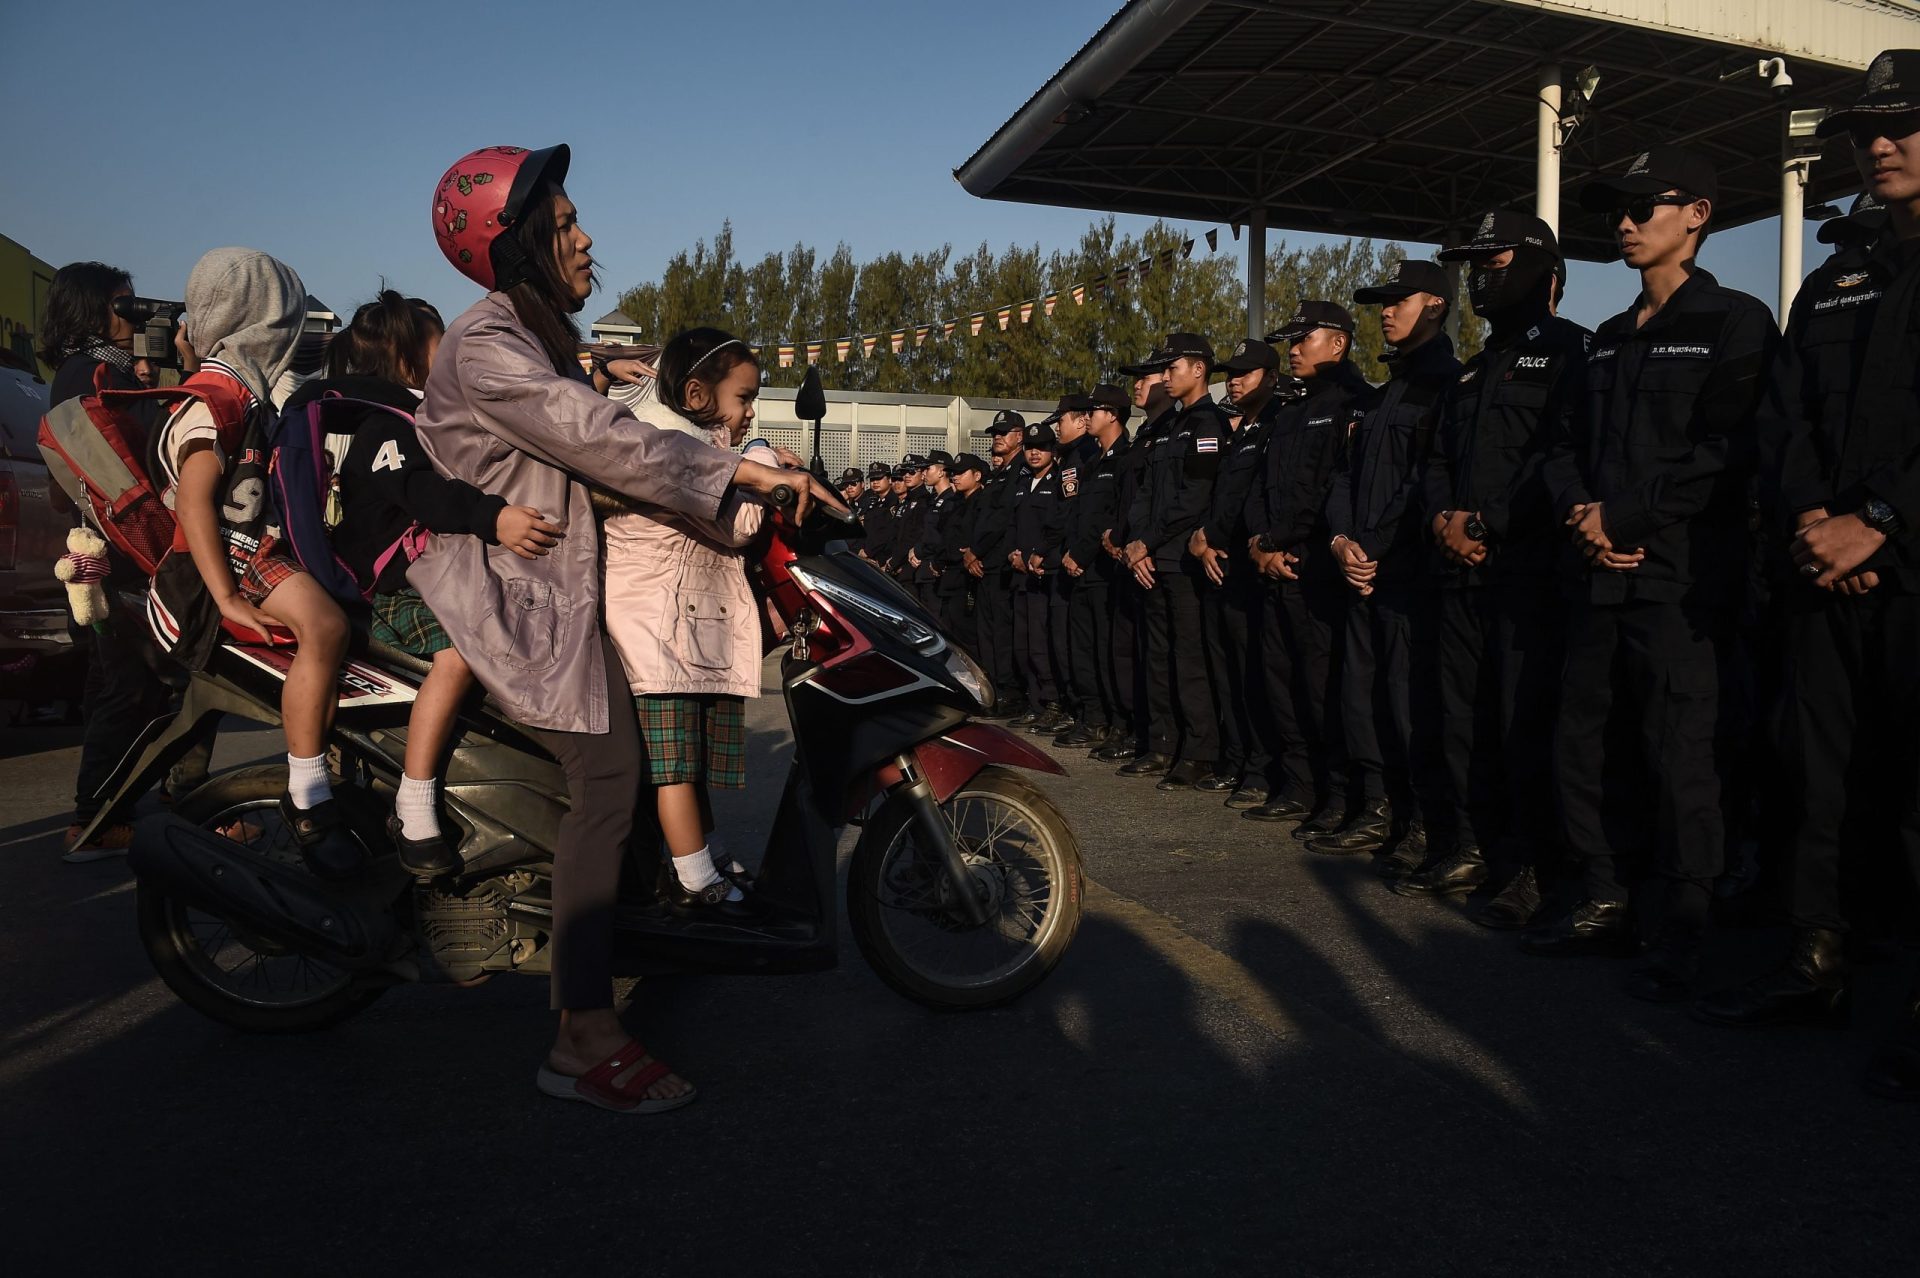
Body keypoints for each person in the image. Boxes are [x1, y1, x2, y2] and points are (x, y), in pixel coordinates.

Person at [416, 143, 836, 1113]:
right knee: (609, 770)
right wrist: (743, 472)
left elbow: (608, 434)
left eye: (572, 218)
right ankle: (580, 1031)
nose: (585, 234)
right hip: (506, 588)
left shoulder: (540, 337)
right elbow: (595, 435)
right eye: (562, 224)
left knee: (638, 753)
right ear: (513, 244)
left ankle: (638, 913)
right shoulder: (489, 344)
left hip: (556, 583)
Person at [1699, 50, 1920, 1101]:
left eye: (1904, 125)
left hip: (1907, 565)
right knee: (1815, 781)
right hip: (1823, 571)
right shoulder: (1835, 276)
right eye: (1866, 132)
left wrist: (1880, 524)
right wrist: (1811, 521)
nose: (1879, 145)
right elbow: (1782, 419)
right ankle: (1816, 961)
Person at [1529, 146, 1777, 994]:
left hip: (1682, 581)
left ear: (1698, 215)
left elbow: (1731, 450)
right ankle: (1606, 896)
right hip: (1598, 576)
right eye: (1618, 211)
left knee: (1682, 754)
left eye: (1645, 207)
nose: (1625, 224)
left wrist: (1626, 517)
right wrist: (1583, 519)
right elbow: (1561, 450)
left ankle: (1686, 917)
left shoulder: (1735, 322)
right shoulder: (1604, 342)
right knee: (1587, 744)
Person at [294, 290, 565, 876]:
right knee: (459, 657)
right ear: (408, 360)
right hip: (395, 586)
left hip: (424, 571)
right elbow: (426, 495)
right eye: (442, 341)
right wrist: (497, 517)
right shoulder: (385, 428)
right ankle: (415, 802)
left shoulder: (413, 417)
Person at [1395, 211, 1589, 923]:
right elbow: (1438, 462)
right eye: (1474, 265)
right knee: (1460, 722)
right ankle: (1478, 847)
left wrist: (1490, 524)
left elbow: (1559, 458)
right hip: (1459, 572)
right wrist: (1446, 520)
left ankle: (1537, 866)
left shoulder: (1574, 353)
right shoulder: (1471, 371)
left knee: (1523, 724)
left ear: (1542, 270)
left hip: (1526, 575)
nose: (1482, 276)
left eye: (1496, 261)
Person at [153, 247, 363, 878]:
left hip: (248, 551)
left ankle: (316, 774)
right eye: (284, 317)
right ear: (261, 320)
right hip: (230, 563)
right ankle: (307, 797)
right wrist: (226, 597)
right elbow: (195, 500)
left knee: (340, 628)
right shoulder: (220, 397)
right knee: (325, 629)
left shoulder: (236, 386)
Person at [601, 327, 775, 911]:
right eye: (744, 398)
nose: (751, 412)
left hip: (676, 625)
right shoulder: (676, 451)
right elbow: (741, 526)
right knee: (675, 767)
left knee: (689, 764)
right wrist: (761, 462)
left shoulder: (684, 445)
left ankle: (710, 856)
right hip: (656, 631)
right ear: (698, 394)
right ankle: (694, 881)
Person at [1320, 261, 1460, 868]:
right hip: (1361, 569)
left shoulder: (1447, 384)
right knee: (1361, 698)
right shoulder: (1380, 398)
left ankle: (1423, 822)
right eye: (1382, 302)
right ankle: (1378, 810)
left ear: (1434, 303)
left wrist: (1375, 547)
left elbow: (1424, 483)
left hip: (1405, 576)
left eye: (1398, 300)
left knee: (1408, 707)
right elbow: (1345, 477)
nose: (1386, 310)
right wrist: (1341, 540)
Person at [39, 261, 172, 860]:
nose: (135, 314)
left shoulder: (90, 371)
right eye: (125, 303)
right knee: (134, 684)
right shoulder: (89, 374)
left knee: (111, 683)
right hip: (121, 552)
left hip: (105, 551)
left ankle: (110, 809)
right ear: (92, 310)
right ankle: (93, 820)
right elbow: (119, 475)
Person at [1242, 304, 1367, 830]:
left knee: (1323, 688)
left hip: (1314, 568)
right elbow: (1259, 489)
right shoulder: (1288, 413)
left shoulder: (1352, 403)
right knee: (1281, 682)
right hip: (1275, 565)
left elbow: (1330, 490)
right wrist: (1258, 543)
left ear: (1337, 344)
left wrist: (1283, 541)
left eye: (1303, 339)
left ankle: (1337, 793)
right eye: (1289, 341)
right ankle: (1298, 784)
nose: (1292, 349)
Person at [1122, 334, 1228, 789]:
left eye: (1173, 368)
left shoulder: (1208, 424)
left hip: (1183, 557)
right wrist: (1137, 544)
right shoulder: (1170, 428)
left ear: (1199, 369)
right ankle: (1164, 742)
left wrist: (1147, 541)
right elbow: (1147, 493)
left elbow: (1195, 497)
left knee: (1189, 658)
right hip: (1155, 556)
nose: (1165, 377)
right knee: (1158, 657)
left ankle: (1199, 750)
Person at [1190, 339, 1287, 803]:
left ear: (1270, 376)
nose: (1235, 379)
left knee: (1256, 676)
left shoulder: (1274, 426)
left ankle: (1263, 769)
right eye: (1231, 372)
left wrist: (1218, 538)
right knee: (1226, 674)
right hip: (1218, 564)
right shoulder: (1239, 432)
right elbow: (1220, 498)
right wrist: (1204, 536)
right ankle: (1238, 758)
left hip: (1248, 565)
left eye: (1246, 372)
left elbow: (1258, 498)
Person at [1093, 348, 1176, 763]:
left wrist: (1140, 543)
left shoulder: (1176, 428)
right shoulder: (1146, 435)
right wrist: (1119, 537)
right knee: (1129, 652)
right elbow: (1132, 500)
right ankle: (1138, 732)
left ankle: (1162, 742)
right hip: (1129, 556)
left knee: (1159, 658)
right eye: (1136, 378)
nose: (1138, 385)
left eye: (1147, 376)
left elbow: (1172, 499)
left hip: (1155, 558)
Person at [1058, 385, 1134, 751]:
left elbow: (1110, 517)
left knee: (1109, 651)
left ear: (1114, 415)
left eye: (1095, 411)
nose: (1088, 418)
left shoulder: (1124, 459)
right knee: (1083, 649)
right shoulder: (1091, 464)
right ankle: (1094, 719)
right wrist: (1071, 553)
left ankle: (1118, 722)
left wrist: (1083, 554)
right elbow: (1079, 517)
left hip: (1103, 570)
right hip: (1081, 571)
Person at [1030, 395, 1098, 737]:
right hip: (1060, 559)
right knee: (1057, 642)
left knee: (1073, 644)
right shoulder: (1069, 457)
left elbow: (1074, 514)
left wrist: (1051, 550)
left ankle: (1080, 711)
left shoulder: (1085, 454)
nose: (1058, 426)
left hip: (1075, 561)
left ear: (1082, 420)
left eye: (1063, 420)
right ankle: (1070, 707)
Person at [967, 411, 1029, 720]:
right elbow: (982, 518)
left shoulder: (1021, 470)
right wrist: (972, 555)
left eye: (1005, 432)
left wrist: (976, 552)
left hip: (1000, 564)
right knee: (987, 634)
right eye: (995, 432)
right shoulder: (999, 474)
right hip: (983, 566)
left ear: (1020, 436)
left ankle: (1009, 692)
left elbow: (1003, 520)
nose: (998, 437)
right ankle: (993, 689)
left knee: (1004, 635)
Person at [1008, 418, 1067, 728]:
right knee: (1024, 642)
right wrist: (1013, 554)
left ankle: (1052, 702)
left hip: (1043, 572)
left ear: (1052, 451)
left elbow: (1058, 527)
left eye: (1042, 448)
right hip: (1020, 573)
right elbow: (1011, 525)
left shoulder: (1058, 482)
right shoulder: (1022, 483)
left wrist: (1036, 556)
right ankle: (1034, 701)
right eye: (1030, 448)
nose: (1034, 453)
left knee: (1043, 642)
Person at [938, 453, 989, 650]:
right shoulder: (956, 503)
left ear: (977, 476)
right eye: (953, 473)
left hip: (968, 578)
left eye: (960, 473)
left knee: (967, 636)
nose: (955, 477)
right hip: (951, 576)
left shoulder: (982, 502)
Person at [907, 450, 955, 611]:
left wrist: (919, 551)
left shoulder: (951, 500)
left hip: (935, 570)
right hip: (923, 571)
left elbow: (940, 537)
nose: (924, 473)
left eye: (928, 468)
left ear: (941, 472)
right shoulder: (933, 500)